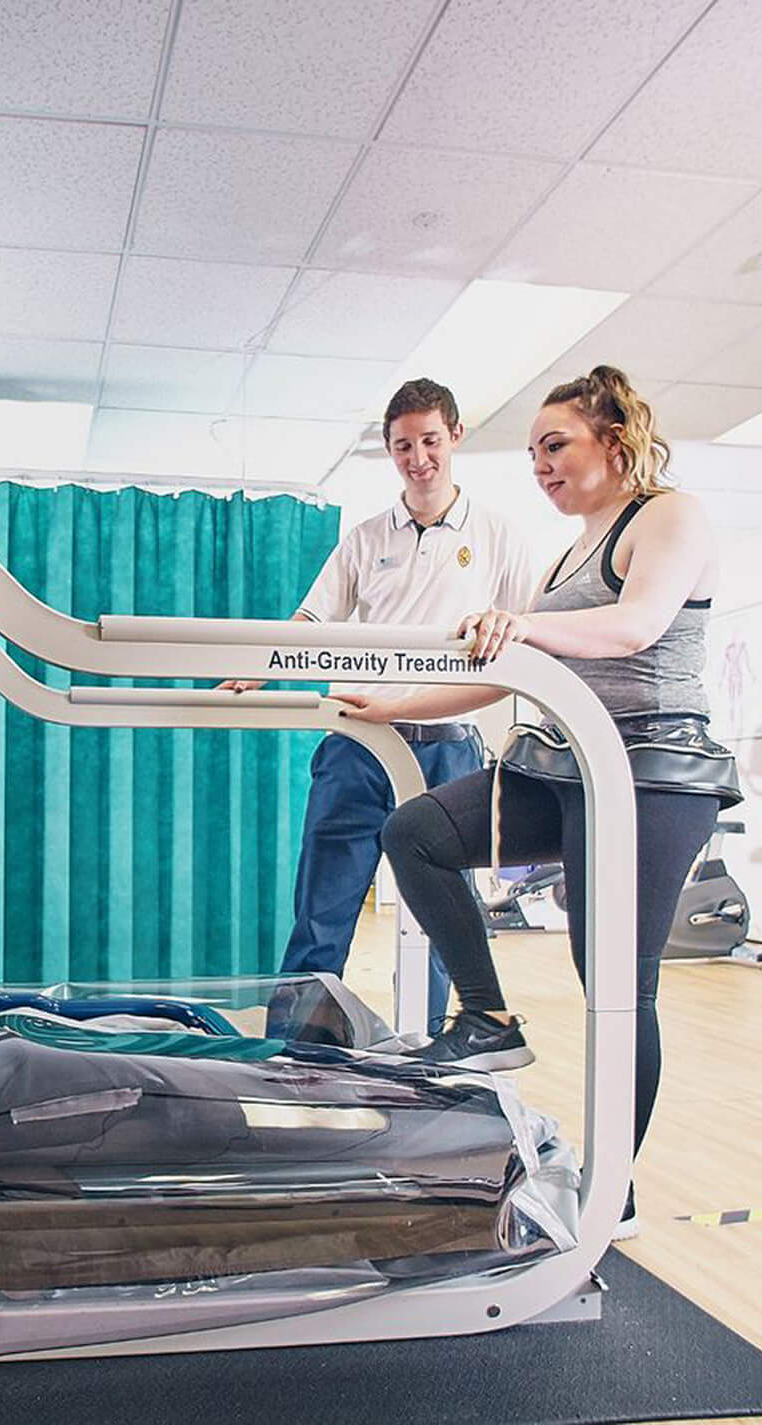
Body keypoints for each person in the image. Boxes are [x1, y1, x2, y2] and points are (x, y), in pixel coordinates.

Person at [334, 365, 740, 1230]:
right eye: (531, 454)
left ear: (616, 441)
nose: (541, 466)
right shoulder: (570, 550)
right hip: (558, 765)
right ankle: (486, 1014)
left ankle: (612, 1189)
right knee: (417, 833)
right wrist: (396, 708)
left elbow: (635, 625)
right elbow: (511, 670)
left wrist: (521, 622)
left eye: (556, 446)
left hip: (648, 774)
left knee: (615, 985)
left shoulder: (670, 516)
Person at [225, 378, 535, 1025]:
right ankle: (292, 1054)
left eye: (429, 441)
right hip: (358, 742)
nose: (418, 457)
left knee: (442, 916)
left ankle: (427, 1051)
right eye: (402, 445)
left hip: (448, 747)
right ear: (389, 450)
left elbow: (523, 629)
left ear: (454, 435)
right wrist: (263, 663)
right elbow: (313, 615)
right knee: (322, 909)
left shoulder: (499, 534)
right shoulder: (367, 538)